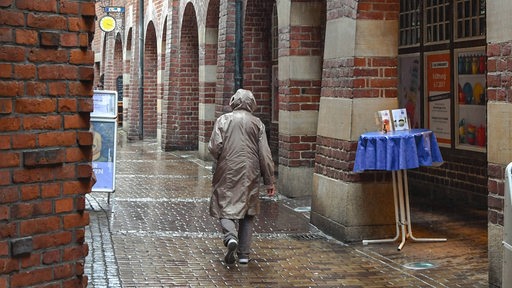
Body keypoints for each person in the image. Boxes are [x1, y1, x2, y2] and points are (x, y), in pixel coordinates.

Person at [208, 89, 275, 265]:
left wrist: (220, 159)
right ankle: (244, 254)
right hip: (251, 172)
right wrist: (269, 180)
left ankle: (230, 237)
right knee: (248, 211)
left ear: (234, 101)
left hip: (227, 169)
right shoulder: (257, 123)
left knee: (223, 205)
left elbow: (215, 147)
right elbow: (265, 154)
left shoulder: (223, 120)